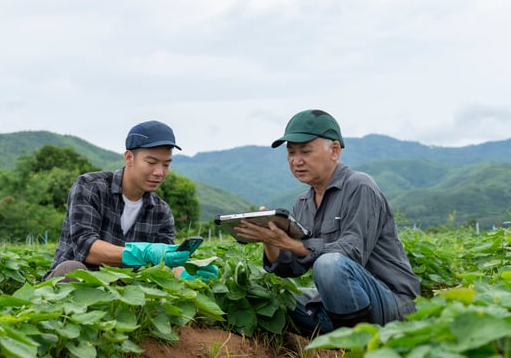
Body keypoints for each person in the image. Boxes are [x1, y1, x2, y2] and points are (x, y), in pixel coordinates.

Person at [233, 109, 419, 335]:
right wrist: (270, 240)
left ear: (334, 151)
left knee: (329, 265)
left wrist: (291, 244)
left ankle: (357, 347)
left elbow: (352, 252)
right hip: (343, 305)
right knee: (275, 298)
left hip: (392, 304)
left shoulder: (360, 187)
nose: (296, 161)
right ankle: (332, 337)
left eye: (305, 151)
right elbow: (292, 267)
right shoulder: (303, 202)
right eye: (291, 153)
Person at [45, 120, 215, 280]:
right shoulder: (90, 187)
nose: (159, 172)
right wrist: (142, 252)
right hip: (75, 283)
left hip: (123, 287)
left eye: (166, 164)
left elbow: (161, 265)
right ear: (129, 158)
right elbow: (86, 248)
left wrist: (186, 273)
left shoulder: (161, 212)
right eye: (151, 162)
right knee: (72, 269)